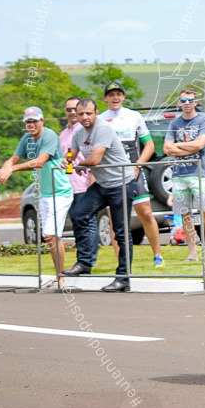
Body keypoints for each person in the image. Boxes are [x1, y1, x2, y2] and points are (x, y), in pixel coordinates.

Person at [61, 98, 136, 292]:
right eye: (81, 114)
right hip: (102, 184)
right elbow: (71, 154)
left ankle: (123, 278)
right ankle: (84, 263)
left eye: (89, 113)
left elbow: (94, 159)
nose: (85, 117)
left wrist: (78, 165)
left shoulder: (103, 129)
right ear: (76, 115)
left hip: (121, 183)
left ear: (96, 113)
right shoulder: (78, 132)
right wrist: (68, 164)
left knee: (120, 232)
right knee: (78, 213)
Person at [0, 106, 73, 286]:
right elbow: (14, 158)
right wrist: (6, 166)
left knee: (51, 234)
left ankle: (61, 277)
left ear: (42, 121)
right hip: (46, 193)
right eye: (28, 122)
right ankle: (59, 276)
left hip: (60, 191)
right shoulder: (26, 138)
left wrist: (12, 169)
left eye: (34, 121)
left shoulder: (49, 135)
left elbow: (39, 162)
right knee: (50, 237)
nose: (31, 125)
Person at [99, 82, 163, 267]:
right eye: (111, 95)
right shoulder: (101, 119)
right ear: (105, 98)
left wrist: (137, 166)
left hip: (134, 173)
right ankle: (123, 263)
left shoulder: (134, 116)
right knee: (116, 220)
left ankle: (157, 255)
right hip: (112, 176)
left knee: (146, 213)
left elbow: (149, 145)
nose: (115, 97)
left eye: (119, 94)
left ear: (123, 97)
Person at [163, 88, 205, 262]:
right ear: (180, 102)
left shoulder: (202, 120)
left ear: (195, 102)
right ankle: (192, 253)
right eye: (184, 100)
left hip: (198, 174)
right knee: (185, 214)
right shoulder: (174, 124)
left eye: (190, 100)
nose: (187, 104)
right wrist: (189, 147)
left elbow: (200, 145)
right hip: (179, 174)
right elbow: (166, 148)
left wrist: (178, 147)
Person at [58, 96, 91, 235]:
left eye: (75, 109)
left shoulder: (85, 130)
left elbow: (91, 156)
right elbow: (67, 159)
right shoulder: (63, 134)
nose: (72, 112)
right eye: (69, 109)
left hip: (84, 184)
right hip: (68, 185)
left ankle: (90, 255)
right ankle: (83, 255)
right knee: (76, 222)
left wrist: (91, 182)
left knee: (87, 222)